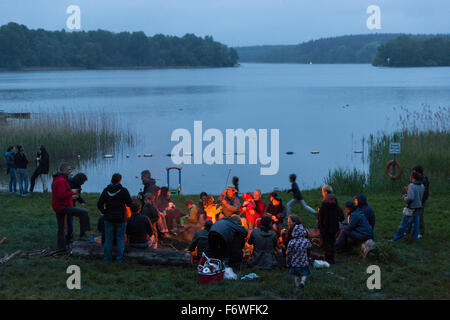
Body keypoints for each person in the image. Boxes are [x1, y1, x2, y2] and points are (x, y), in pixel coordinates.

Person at [51, 163, 91, 250]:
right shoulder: (61, 181)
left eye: (70, 170)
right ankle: (82, 234)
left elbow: (61, 194)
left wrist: (75, 197)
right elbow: (62, 195)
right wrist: (72, 192)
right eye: (69, 170)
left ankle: (61, 248)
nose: (70, 171)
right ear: (63, 170)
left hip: (60, 206)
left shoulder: (61, 179)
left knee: (61, 228)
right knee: (84, 213)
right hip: (63, 206)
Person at [97, 173, 133, 263]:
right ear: (120, 180)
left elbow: (99, 204)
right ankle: (119, 259)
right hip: (121, 218)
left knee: (108, 239)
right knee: (120, 239)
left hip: (109, 218)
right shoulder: (123, 190)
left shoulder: (106, 190)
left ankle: (107, 259)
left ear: (111, 180)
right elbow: (129, 204)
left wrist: (105, 212)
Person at [392, 172, 424, 243]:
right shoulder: (422, 185)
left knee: (403, 225)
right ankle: (415, 239)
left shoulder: (411, 185)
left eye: (410, 177)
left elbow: (411, 198)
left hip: (411, 208)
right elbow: (417, 196)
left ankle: (395, 239)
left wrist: (404, 197)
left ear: (413, 178)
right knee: (416, 226)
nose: (410, 178)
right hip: (418, 208)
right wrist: (408, 191)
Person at [317, 185, 344, 264]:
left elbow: (322, 217)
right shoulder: (335, 200)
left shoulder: (324, 203)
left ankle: (327, 260)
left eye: (322, 192)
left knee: (325, 243)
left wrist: (320, 226)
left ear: (325, 192)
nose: (322, 193)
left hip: (325, 227)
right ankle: (332, 259)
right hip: (334, 226)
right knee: (332, 242)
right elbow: (340, 212)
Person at [286, 223, 312, 289]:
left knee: (296, 275)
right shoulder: (306, 241)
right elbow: (309, 248)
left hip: (295, 262)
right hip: (304, 262)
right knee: (305, 273)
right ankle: (302, 281)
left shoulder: (291, 242)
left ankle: (297, 286)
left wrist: (288, 262)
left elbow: (288, 253)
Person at [409, 165, 429, 238]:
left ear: (418, 172)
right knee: (409, 214)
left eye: (414, 172)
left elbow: (425, 192)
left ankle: (420, 232)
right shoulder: (415, 178)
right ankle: (408, 230)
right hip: (414, 200)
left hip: (421, 200)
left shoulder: (424, 180)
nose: (412, 173)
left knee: (419, 216)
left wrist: (421, 201)